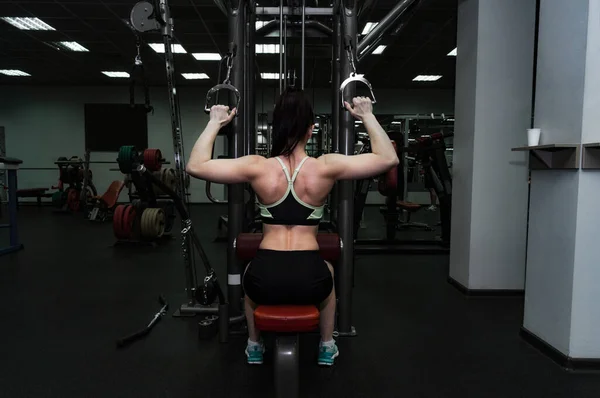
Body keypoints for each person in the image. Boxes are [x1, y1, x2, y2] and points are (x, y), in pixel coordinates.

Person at [186, 89, 398, 366]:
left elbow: (195, 165)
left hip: (264, 281)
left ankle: (253, 345)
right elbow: (388, 159)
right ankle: (326, 345)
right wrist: (367, 116)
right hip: (312, 281)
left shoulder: (257, 166)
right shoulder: (326, 166)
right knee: (330, 271)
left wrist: (215, 122)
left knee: (249, 273)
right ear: (311, 130)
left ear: (276, 128)